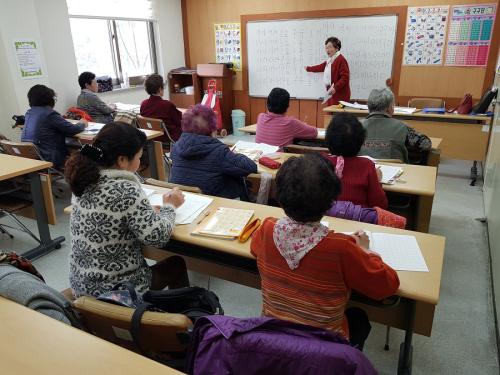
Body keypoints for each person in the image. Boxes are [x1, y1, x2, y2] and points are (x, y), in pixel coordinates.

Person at [250, 153, 399, 350]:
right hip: (324, 349)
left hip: (274, 336)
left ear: (280, 197)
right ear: (331, 202)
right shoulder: (342, 247)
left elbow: (254, 249)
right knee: (359, 317)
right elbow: (387, 285)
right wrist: (365, 251)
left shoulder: (267, 228)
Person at [65, 122, 189, 298]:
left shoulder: (83, 179)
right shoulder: (125, 188)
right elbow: (158, 237)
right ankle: (172, 318)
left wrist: (144, 211)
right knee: (176, 264)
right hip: (117, 292)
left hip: (82, 285)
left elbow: (111, 213)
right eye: (138, 157)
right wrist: (170, 206)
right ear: (122, 160)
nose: (140, 161)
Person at [170, 104, 257, 199]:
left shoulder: (175, 147)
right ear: (212, 130)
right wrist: (235, 154)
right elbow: (250, 167)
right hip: (216, 203)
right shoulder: (219, 152)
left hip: (184, 200)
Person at [325, 113, 388, 209]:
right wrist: (378, 180)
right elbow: (380, 205)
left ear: (328, 139)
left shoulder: (320, 162)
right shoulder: (367, 166)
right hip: (359, 221)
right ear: (361, 141)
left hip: (326, 219)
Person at [22, 84, 87, 170]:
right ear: (49, 99)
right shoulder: (50, 114)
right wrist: (82, 123)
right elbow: (73, 129)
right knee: (80, 149)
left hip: (33, 156)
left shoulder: (29, 113)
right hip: (50, 158)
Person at [360, 88, 432, 163]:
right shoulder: (402, 127)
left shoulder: (355, 127)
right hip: (395, 172)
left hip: (362, 172)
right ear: (389, 108)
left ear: (368, 107)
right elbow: (426, 144)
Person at [305, 37, 350, 105]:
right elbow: (321, 67)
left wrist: (335, 88)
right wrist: (308, 68)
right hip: (332, 94)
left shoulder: (341, 59)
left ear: (337, 48)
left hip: (340, 96)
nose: (327, 50)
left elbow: (345, 78)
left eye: (329, 47)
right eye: (326, 48)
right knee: (330, 114)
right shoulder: (331, 60)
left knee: (337, 115)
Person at [140, 73, 183, 142]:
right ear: (160, 89)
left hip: (152, 138)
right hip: (168, 138)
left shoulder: (143, 104)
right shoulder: (167, 105)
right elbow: (180, 121)